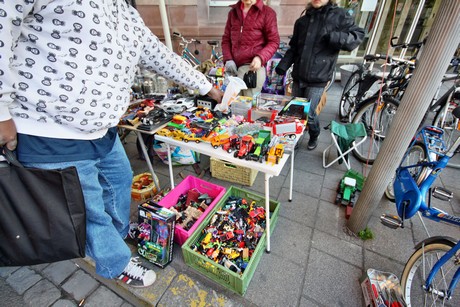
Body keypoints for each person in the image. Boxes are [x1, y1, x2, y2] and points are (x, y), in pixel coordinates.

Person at [0, 0, 223, 288]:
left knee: (120, 179)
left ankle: (114, 235)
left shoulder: (124, 10)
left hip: (102, 131)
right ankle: (114, 261)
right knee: (87, 208)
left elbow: (161, 56)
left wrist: (207, 87)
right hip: (50, 129)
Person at [276, 0, 364, 150]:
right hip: (299, 75)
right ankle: (295, 137)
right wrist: (283, 66)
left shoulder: (340, 16)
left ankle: (314, 134)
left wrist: (335, 37)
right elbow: (294, 48)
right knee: (296, 111)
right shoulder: (302, 21)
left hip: (319, 77)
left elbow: (358, 36)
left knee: (308, 112)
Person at [222, 0, 280, 97]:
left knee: (247, 108)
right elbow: (226, 40)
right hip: (233, 68)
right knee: (230, 106)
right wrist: (228, 59)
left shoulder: (267, 13)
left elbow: (274, 41)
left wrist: (260, 58)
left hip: (252, 69)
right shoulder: (233, 13)